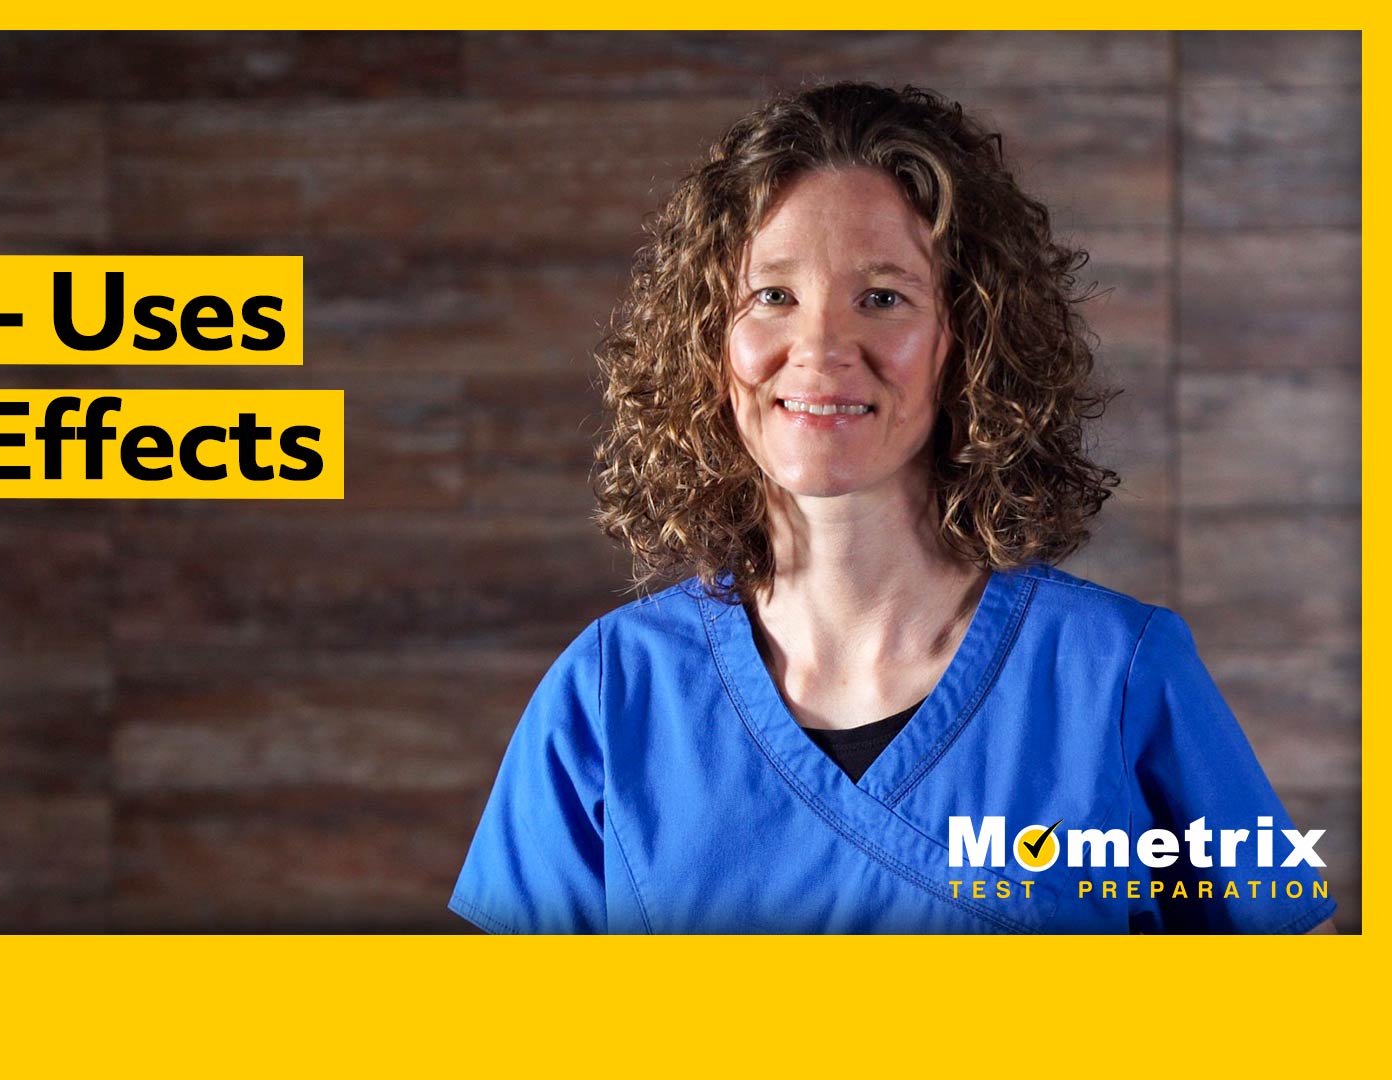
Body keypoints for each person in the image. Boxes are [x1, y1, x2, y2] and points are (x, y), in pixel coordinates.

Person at [449, 82, 1337, 934]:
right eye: (772, 296)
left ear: (971, 340)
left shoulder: (1118, 675)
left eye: (882, 298)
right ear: (707, 341)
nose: (823, 349)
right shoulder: (611, 692)